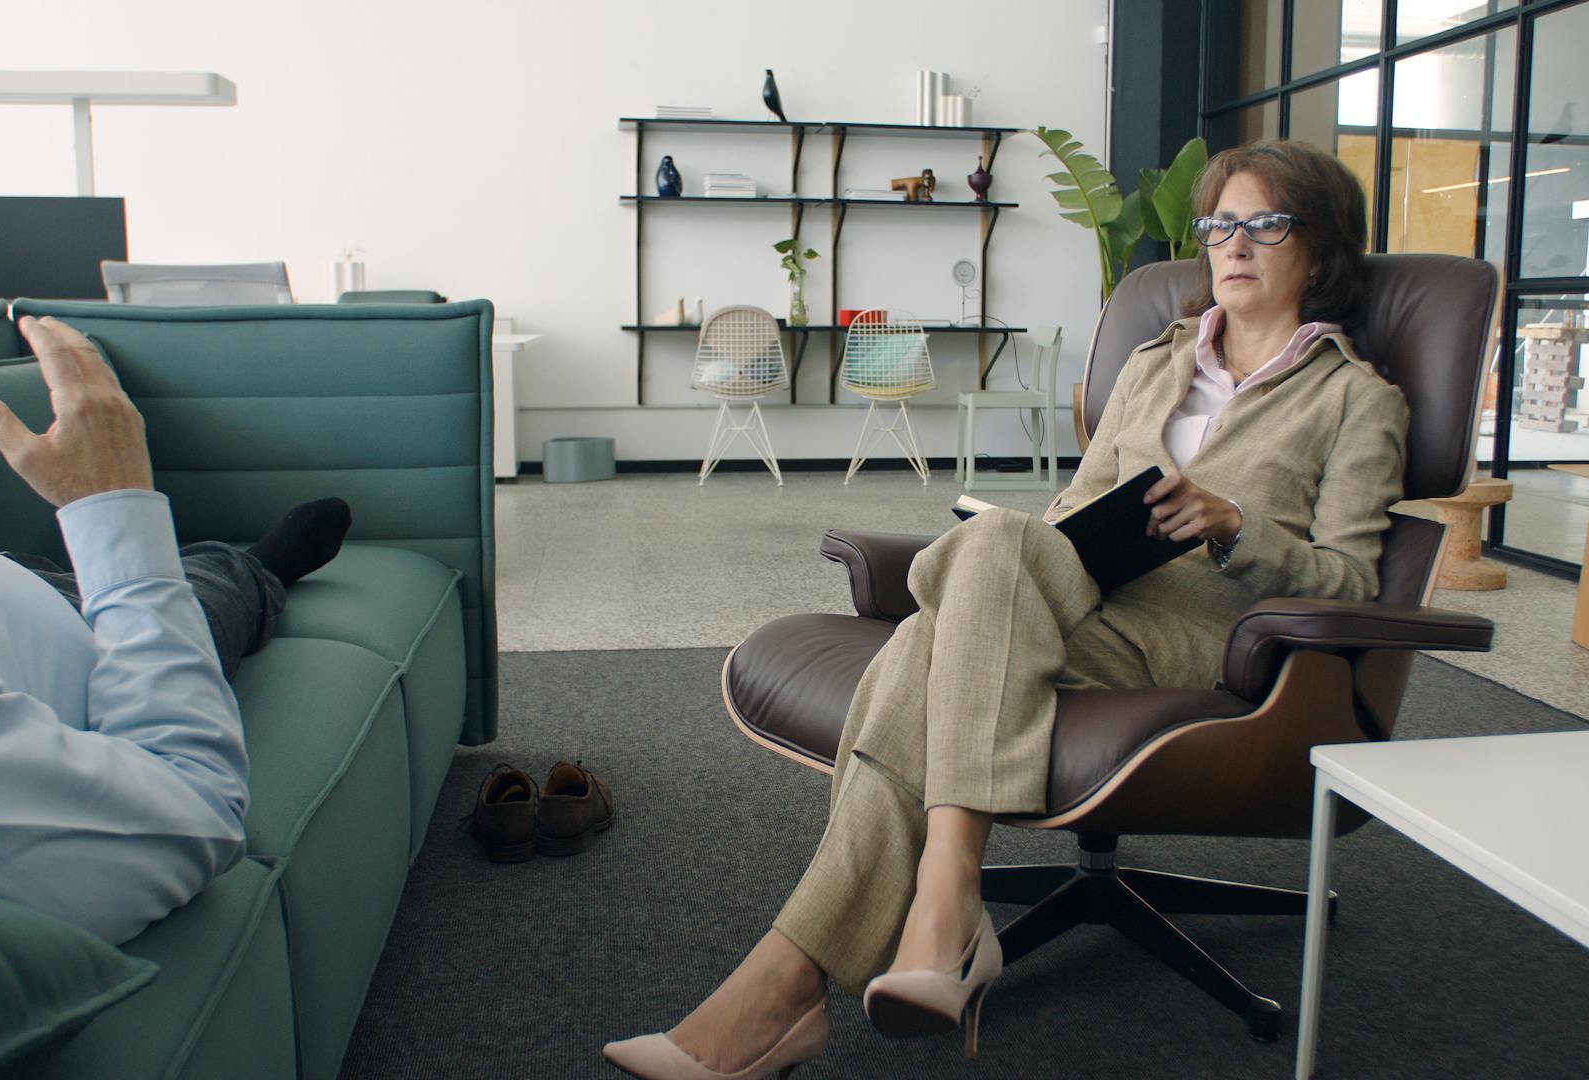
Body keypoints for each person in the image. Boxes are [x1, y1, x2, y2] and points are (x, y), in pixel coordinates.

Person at [602, 139, 1409, 1080]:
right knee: (992, 551)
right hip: (1086, 598)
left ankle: (819, 969)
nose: (1234, 243)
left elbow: (1354, 583)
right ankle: (925, 921)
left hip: (1206, 638)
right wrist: (1034, 548)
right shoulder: (1157, 364)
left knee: (929, 633)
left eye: (1264, 223)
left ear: (1320, 250)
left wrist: (1234, 524)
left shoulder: (1358, 399)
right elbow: (1074, 510)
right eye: (1220, 224)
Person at [0, 315, 351, 944]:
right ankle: (257, 572)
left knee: (73, 574)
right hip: (86, 652)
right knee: (206, 593)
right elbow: (193, 808)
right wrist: (114, 506)